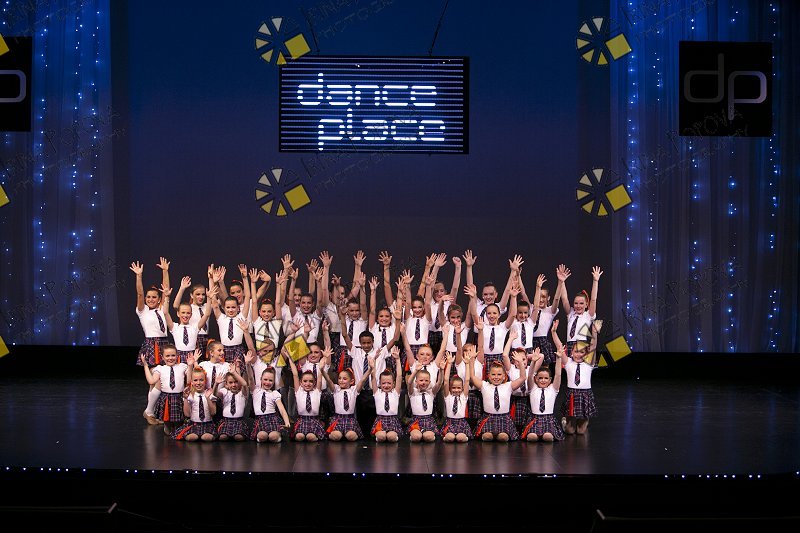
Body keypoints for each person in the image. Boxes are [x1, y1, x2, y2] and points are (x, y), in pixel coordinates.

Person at [131, 258, 170, 425]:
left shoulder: (162, 308)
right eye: (149, 297)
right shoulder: (143, 311)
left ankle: (151, 412)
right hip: (152, 345)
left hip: (164, 345)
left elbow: (166, 289)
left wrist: (165, 271)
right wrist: (139, 276)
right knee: (158, 380)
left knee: (155, 384)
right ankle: (149, 411)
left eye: (154, 297)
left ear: (159, 299)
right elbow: (139, 294)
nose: (151, 299)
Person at [465, 346, 528, 442]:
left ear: (504, 376)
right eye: (493, 374)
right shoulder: (484, 385)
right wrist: (472, 360)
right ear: (489, 376)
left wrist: (520, 363)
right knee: (487, 437)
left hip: (504, 419)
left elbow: (522, 378)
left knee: (503, 437)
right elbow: (473, 377)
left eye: (499, 374)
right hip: (488, 418)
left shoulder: (508, 386)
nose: (496, 377)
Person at [553, 320, 600, 435]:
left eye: (582, 352)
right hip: (572, 394)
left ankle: (584, 420)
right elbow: (559, 346)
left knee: (580, 432)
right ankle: (566, 421)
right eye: (576, 352)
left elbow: (593, 346)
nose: (579, 354)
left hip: (585, 394)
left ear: (586, 353)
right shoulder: (568, 362)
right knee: (570, 431)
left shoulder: (589, 364)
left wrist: (594, 332)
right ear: (571, 353)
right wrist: (554, 332)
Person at [141, 346, 195, 435]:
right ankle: (167, 427)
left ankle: (178, 428)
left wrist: (190, 366)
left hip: (178, 397)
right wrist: (145, 366)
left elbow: (189, 380)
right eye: (167, 356)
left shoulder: (182, 366)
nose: (170, 358)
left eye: (173, 355)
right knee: (167, 422)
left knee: (178, 422)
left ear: (177, 356)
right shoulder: (160, 369)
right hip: (166, 397)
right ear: (162, 357)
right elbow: (151, 381)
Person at [284, 346, 329, 442]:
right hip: (302, 421)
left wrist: (325, 357)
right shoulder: (299, 391)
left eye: (311, 381)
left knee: (310, 437)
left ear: (314, 383)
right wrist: (290, 359)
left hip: (314, 421)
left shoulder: (317, 391)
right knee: (299, 437)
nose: (308, 384)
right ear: (301, 382)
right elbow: (295, 374)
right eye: (305, 381)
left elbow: (320, 375)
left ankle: (314, 436)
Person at [161, 284, 213, 363]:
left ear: (191, 315)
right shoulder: (174, 327)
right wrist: (167, 297)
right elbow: (165, 313)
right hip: (178, 357)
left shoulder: (195, 327)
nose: (185, 315)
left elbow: (207, 314)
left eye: (188, 313)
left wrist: (209, 298)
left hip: (192, 357)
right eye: (183, 313)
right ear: (178, 314)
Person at [521, 345, 564, 442]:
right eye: (540, 378)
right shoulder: (533, 388)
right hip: (535, 419)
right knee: (532, 437)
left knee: (547, 437)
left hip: (548, 420)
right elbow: (530, 375)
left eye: (546, 378)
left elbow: (558, 374)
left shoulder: (553, 389)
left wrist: (559, 358)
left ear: (550, 380)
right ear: (536, 379)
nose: (543, 380)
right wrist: (533, 362)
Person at [558, 265, 602, 357]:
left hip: (582, 345)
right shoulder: (570, 313)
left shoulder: (588, 315)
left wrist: (595, 281)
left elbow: (593, 299)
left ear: (586, 305)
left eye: (581, 303)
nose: (578, 306)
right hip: (570, 345)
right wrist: (562, 282)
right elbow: (564, 298)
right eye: (576, 303)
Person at [320, 365, 370, 442]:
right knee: (336, 436)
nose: (341, 380)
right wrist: (322, 370)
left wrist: (370, 369)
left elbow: (363, 380)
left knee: (351, 436)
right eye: (339, 378)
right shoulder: (336, 389)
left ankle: (348, 434)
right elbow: (328, 380)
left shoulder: (354, 390)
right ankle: (334, 434)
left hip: (350, 419)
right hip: (338, 419)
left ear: (351, 381)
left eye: (344, 379)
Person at [172, 272, 213, 359]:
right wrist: (182, 288)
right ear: (191, 295)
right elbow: (175, 305)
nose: (201, 297)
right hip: (193, 338)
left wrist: (211, 279)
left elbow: (213, 297)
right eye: (198, 294)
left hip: (206, 338)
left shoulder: (207, 306)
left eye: (203, 294)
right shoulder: (189, 308)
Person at [247, 361, 291, 443]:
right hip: (260, 420)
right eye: (265, 379)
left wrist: (287, 422)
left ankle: (277, 436)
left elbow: (282, 410)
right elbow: (250, 378)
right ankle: (261, 437)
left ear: (274, 382)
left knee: (273, 437)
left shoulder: (274, 393)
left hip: (272, 419)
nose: (267, 382)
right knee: (262, 436)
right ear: (261, 379)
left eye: (270, 380)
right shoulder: (255, 391)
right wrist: (248, 364)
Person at [173, 366, 218, 442]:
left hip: (207, 424)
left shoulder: (209, 394)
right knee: (192, 437)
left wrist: (208, 398)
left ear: (205, 381)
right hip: (194, 424)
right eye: (195, 380)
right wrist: (186, 399)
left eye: (201, 380)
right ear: (192, 382)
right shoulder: (190, 395)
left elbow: (213, 412)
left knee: (206, 437)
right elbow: (187, 414)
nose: (198, 383)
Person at [369, 346, 404, 443]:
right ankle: (379, 437)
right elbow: (373, 377)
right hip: (380, 420)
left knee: (391, 437)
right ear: (380, 384)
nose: (386, 385)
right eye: (383, 383)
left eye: (389, 383)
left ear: (393, 384)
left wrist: (397, 359)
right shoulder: (377, 392)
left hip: (393, 420)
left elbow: (399, 376)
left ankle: (394, 437)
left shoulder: (395, 392)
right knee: (381, 437)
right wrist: (374, 359)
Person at [405, 358, 444, 442]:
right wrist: (416, 370)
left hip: (428, 420)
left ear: (429, 382)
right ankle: (415, 435)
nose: (424, 382)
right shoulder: (413, 392)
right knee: (416, 437)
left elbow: (439, 383)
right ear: (416, 381)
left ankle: (428, 435)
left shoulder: (431, 392)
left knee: (428, 437)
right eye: (421, 380)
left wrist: (441, 370)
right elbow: (409, 382)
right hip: (416, 420)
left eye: (426, 380)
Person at [213, 362, 250, 442]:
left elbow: (244, 384)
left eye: (236, 382)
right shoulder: (224, 391)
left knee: (238, 437)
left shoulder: (242, 393)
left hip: (238, 421)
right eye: (230, 382)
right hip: (226, 421)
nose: (233, 385)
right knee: (223, 437)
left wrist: (234, 372)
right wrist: (216, 384)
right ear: (226, 384)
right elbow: (215, 394)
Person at [440, 348, 471, 443]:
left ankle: (464, 437)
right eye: (453, 388)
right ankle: (447, 436)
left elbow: (467, 380)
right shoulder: (448, 396)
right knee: (450, 438)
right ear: (450, 388)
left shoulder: (463, 397)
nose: (456, 390)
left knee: (460, 438)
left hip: (461, 422)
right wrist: (449, 363)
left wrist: (467, 364)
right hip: (450, 422)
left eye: (458, 388)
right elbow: (446, 381)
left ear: (462, 388)